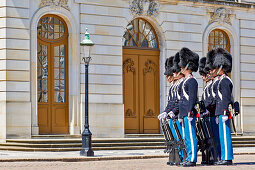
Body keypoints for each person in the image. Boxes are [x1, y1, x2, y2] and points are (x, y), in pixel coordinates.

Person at [211, 48, 234, 165]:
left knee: (225, 135)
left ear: (221, 67)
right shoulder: (221, 80)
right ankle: (224, 156)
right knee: (221, 135)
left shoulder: (225, 81)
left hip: (223, 112)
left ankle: (228, 157)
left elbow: (225, 98)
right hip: (219, 112)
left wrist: (224, 112)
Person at [178, 47, 199, 167]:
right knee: (187, 137)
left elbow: (191, 99)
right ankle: (189, 157)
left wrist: (190, 112)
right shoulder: (186, 81)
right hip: (185, 113)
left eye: (183, 65)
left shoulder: (192, 81)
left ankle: (192, 158)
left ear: (188, 66)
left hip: (189, 113)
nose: (181, 67)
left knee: (191, 137)